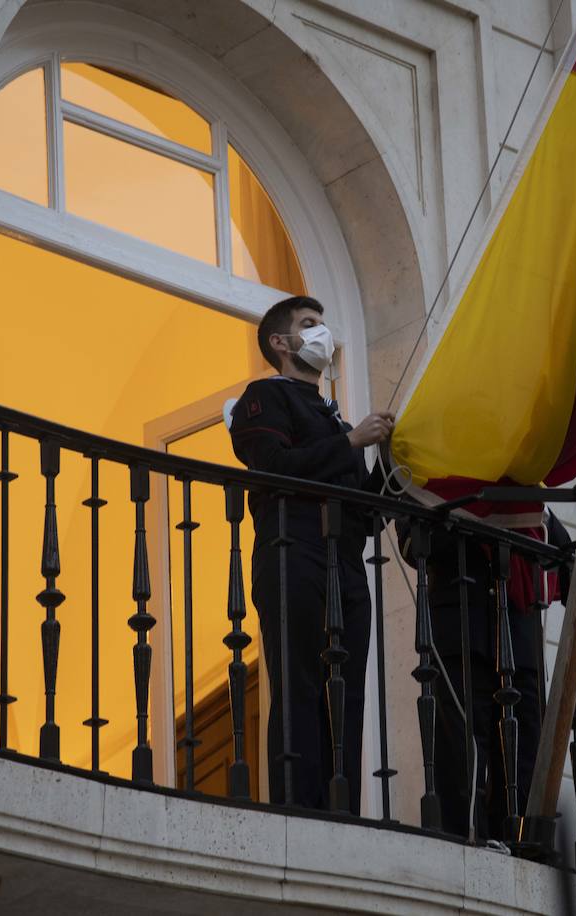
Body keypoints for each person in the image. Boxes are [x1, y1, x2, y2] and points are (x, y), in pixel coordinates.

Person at [227, 295, 394, 813]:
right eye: (308, 325)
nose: (320, 333)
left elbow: (365, 516)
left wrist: (390, 461)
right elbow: (273, 464)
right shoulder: (264, 397)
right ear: (281, 342)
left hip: (343, 562)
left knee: (347, 687)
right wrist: (351, 445)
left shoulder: (338, 423)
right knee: (299, 681)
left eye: (322, 324)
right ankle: (302, 806)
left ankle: (343, 806)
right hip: (292, 552)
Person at [400, 509, 572, 840]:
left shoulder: (526, 493)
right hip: (462, 634)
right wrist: (477, 513)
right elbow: (412, 542)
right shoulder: (428, 472)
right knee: (461, 761)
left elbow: (567, 563)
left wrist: (528, 511)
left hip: (519, 644)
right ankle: (462, 849)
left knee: (525, 762)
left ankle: (523, 847)